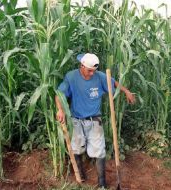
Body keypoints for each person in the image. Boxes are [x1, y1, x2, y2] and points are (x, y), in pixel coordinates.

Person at [55, 53, 135, 188]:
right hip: (76, 120)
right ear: (82, 66)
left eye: (94, 70)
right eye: (89, 70)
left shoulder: (100, 77)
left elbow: (113, 82)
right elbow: (59, 94)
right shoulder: (72, 77)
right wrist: (60, 109)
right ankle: (80, 176)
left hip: (94, 119)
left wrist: (126, 91)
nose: (92, 73)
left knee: (99, 151)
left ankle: (102, 183)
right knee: (76, 149)